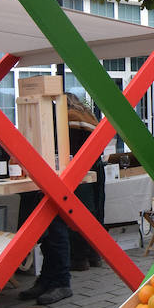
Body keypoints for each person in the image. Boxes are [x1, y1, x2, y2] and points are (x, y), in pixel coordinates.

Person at [66, 94, 107, 271]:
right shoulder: (88, 115)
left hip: (80, 171)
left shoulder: (67, 118)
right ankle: (95, 255)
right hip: (96, 168)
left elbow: (69, 148)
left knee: (78, 214)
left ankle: (79, 258)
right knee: (96, 213)